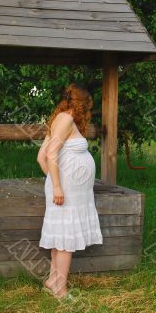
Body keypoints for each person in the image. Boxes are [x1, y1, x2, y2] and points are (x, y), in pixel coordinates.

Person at [37, 82, 103, 300]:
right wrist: (57, 185)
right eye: (88, 106)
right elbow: (51, 155)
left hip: (67, 189)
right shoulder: (66, 119)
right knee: (66, 240)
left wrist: (55, 181)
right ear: (82, 104)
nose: (89, 110)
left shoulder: (60, 118)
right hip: (65, 190)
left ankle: (52, 281)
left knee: (61, 237)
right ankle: (60, 290)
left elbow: (40, 156)